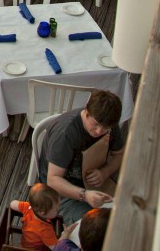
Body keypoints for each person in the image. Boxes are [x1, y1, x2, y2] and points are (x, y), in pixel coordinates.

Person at [39, 90, 124, 225]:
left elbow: (119, 154)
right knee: (95, 226)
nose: (99, 131)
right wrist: (85, 195)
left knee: (124, 215)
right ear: (86, 112)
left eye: (105, 128)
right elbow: (53, 180)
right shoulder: (66, 133)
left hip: (95, 180)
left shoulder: (110, 125)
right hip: (62, 191)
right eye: (95, 124)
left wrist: (105, 172)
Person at [10, 183, 64, 250]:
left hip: (24, 242)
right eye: (56, 210)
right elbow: (56, 248)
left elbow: (12, 204)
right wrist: (65, 236)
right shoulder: (45, 229)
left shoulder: (28, 208)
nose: (59, 209)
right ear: (43, 213)